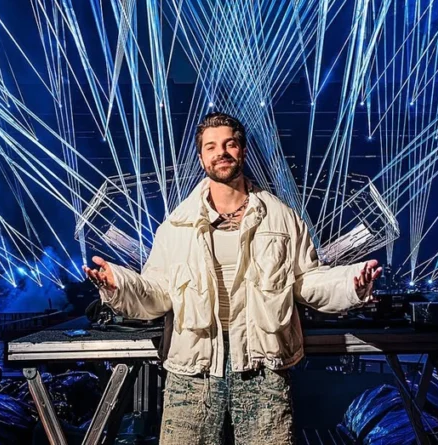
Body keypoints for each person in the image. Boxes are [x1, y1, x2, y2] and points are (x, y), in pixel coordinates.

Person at [84, 112, 382, 444]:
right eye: (211, 147)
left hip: (262, 367)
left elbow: (308, 281)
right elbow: (157, 293)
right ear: (201, 158)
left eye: (229, 144)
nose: (221, 152)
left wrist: (351, 284)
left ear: (242, 151)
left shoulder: (282, 218)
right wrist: (119, 285)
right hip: (193, 370)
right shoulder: (176, 226)